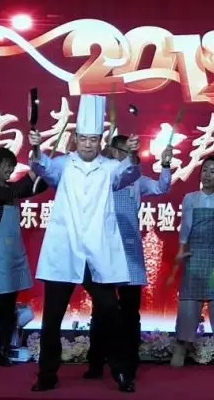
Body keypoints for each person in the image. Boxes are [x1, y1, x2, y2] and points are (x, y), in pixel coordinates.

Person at [27, 94, 142, 393]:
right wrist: (36, 147)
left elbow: (129, 173)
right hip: (65, 248)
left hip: (97, 252)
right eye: (83, 139)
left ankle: (121, 372)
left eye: (93, 139)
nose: (88, 144)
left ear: (100, 141)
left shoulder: (109, 167)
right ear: (75, 138)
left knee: (112, 311)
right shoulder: (64, 165)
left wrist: (133, 156)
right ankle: (47, 375)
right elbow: (43, 168)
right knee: (52, 318)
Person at [84, 136, 173, 381]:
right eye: (124, 151)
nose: (128, 156)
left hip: (131, 252)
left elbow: (161, 188)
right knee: (102, 309)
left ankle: (129, 362)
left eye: (131, 152)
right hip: (105, 250)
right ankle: (96, 362)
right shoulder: (102, 177)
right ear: (113, 151)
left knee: (130, 311)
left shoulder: (136, 179)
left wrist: (166, 165)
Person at [0, 147, 49, 367]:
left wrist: (45, 171)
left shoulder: (11, 189)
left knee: (9, 305)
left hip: (12, 253)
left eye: (12, 166)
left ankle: (3, 351)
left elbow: (36, 187)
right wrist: (32, 172)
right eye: (6, 165)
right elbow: (11, 193)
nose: (10, 170)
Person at [170, 156, 214, 369]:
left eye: (213, 171)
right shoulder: (190, 198)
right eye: (205, 170)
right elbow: (186, 226)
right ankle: (181, 347)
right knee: (189, 302)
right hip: (195, 254)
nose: (207, 175)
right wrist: (181, 250)